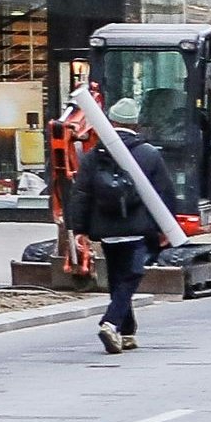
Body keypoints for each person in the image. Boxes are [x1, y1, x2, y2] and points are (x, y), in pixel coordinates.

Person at [70, 98, 164, 355]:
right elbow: (163, 194)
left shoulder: (94, 156)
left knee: (117, 278)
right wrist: (166, 228)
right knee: (131, 276)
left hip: (107, 230)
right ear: (136, 122)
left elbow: (81, 193)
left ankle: (128, 331)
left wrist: (79, 229)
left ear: (111, 122)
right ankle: (110, 323)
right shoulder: (149, 154)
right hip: (138, 227)